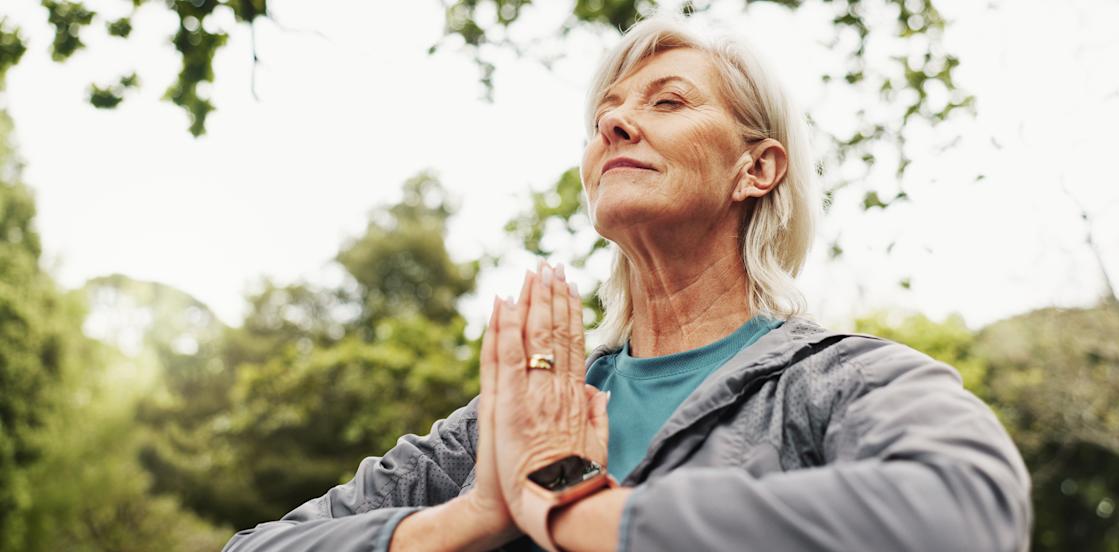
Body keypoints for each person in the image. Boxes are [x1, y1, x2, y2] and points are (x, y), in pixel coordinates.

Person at [222, 12, 1032, 552]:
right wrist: (471, 517)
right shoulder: (508, 424)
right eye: (604, 114)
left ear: (758, 167)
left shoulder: (835, 383)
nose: (613, 123)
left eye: (668, 100)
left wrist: (578, 511)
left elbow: (967, 509)